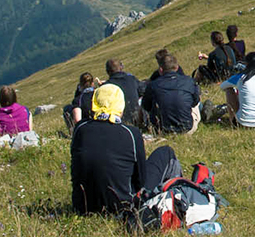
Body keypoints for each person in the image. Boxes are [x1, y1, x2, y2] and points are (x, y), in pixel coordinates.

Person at [71, 82, 180, 221]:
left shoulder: (80, 129)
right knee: (166, 152)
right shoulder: (131, 133)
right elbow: (141, 180)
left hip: (83, 207)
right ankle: (175, 203)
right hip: (124, 206)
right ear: (120, 105)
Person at [141, 52, 201, 134]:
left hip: (160, 129)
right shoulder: (189, 81)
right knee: (195, 100)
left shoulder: (152, 85)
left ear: (160, 70)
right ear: (177, 67)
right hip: (187, 128)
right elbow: (195, 101)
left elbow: (146, 106)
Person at [102, 58, 141, 125]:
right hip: (136, 120)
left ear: (107, 71)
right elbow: (142, 91)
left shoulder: (106, 87)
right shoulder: (131, 79)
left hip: (117, 123)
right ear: (121, 67)